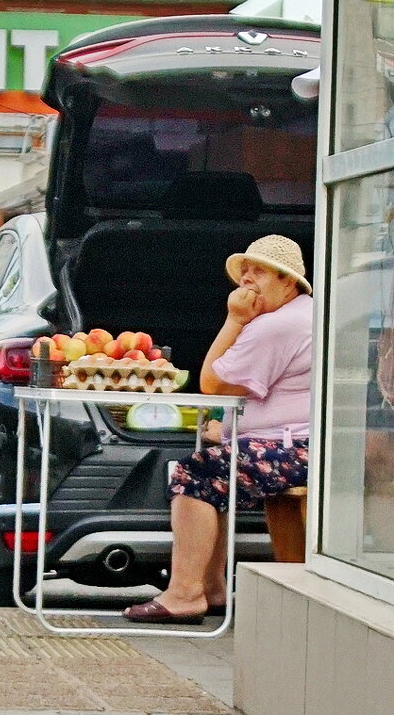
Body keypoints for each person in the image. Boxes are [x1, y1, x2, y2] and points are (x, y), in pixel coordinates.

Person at [124, 234, 313, 624]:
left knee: (196, 472)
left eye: (258, 272)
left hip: (299, 452)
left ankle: (186, 594)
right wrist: (228, 431)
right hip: (304, 445)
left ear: (287, 281)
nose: (247, 280)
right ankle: (210, 587)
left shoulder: (275, 325)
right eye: (245, 271)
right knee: (214, 463)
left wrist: (234, 319)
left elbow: (212, 383)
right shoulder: (302, 314)